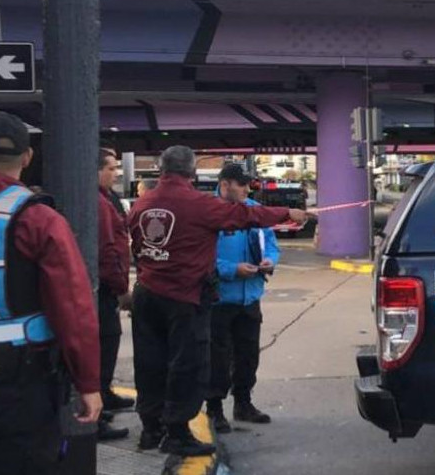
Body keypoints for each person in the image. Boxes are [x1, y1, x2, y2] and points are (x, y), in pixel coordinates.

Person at [0, 111, 102, 474]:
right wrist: (88, 382)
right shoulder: (38, 219)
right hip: (18, 386)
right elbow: (73, 309)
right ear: (26, 158)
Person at [128, 145, 306, 456]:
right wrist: (287, 213)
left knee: (149, 363)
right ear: (192, 172)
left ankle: (149, 429)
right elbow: (246, 215)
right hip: (184, 296)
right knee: (187, 365)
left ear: (161, 169)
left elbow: (133, 245)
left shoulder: (143, 203)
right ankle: (177, 433)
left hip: (146, 292)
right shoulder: (197, 204)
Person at [206, 163, 280, 432]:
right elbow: (203, 258)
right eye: (243, 184)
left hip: (250, 298)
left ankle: (243, 403)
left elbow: (270, 241)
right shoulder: (210, 212)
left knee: (248, 354)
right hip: (220, 299)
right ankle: (214, 408)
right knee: (217, 358)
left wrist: (270, 259)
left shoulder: (253, 210)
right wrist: (231, 270)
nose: (248, 189)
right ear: (225, 185)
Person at [97, 148, 133, 441]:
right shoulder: (99, 202)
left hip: (108, 284)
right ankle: (94, 415)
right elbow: (108, 249)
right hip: (104, 286)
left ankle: (104, 394)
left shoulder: (109, 199)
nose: (116, 172)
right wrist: (122, 287)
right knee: (104, 342)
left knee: (110, 340)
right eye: (111, 167)